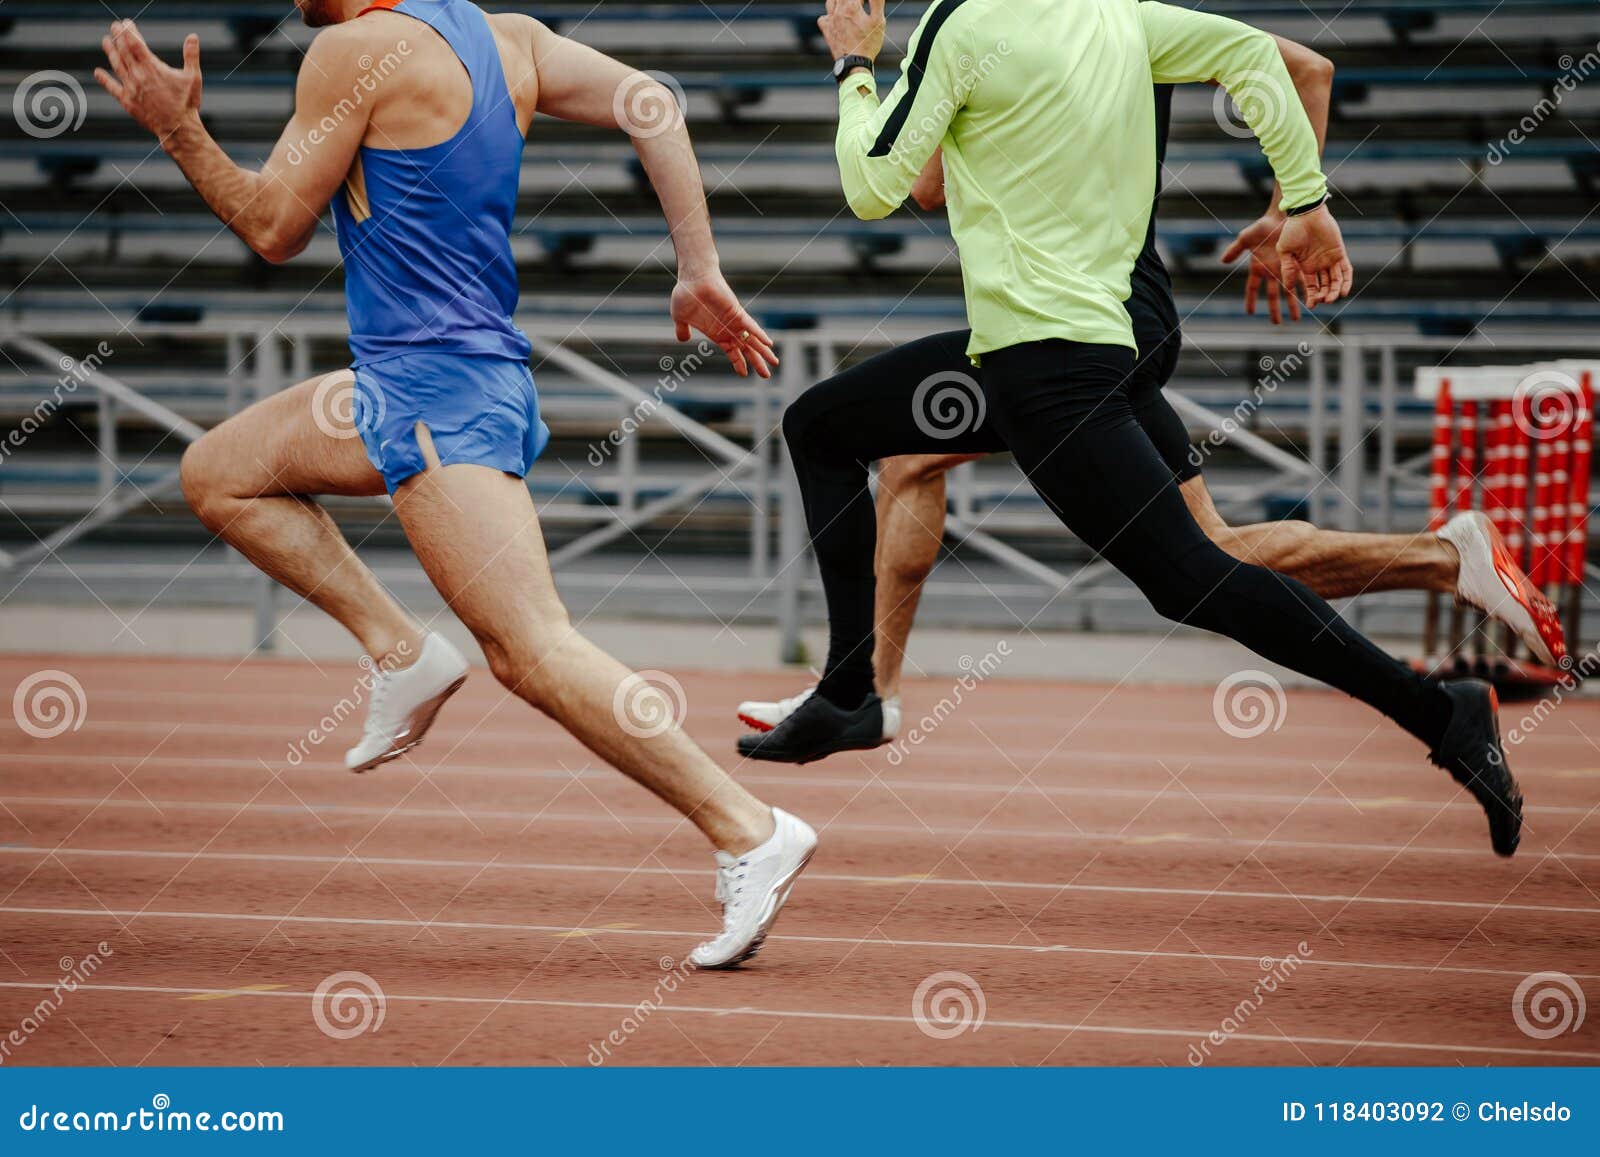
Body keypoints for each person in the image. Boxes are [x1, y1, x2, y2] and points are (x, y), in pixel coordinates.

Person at [94, 0, 816, 966]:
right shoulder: (507, 37)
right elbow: (653, 103)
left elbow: (274, 227)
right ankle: (401, 651)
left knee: (532, 649)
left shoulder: (350, 52)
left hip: (433, 390)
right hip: (414, 383)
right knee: (219, 473)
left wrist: (178, 128)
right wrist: (697, 266)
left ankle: (747, 827)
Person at [740, 0, 1526, 857]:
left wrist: (856, 68)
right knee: (822, 426)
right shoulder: (1123, 18)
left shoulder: (957, 23)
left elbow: (872, 188)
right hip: (1073, 342)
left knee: (1197, 578)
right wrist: (1303, 197)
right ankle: (853, 686)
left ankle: (1442, 710)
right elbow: (1265, 63)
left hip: (1046, 369)